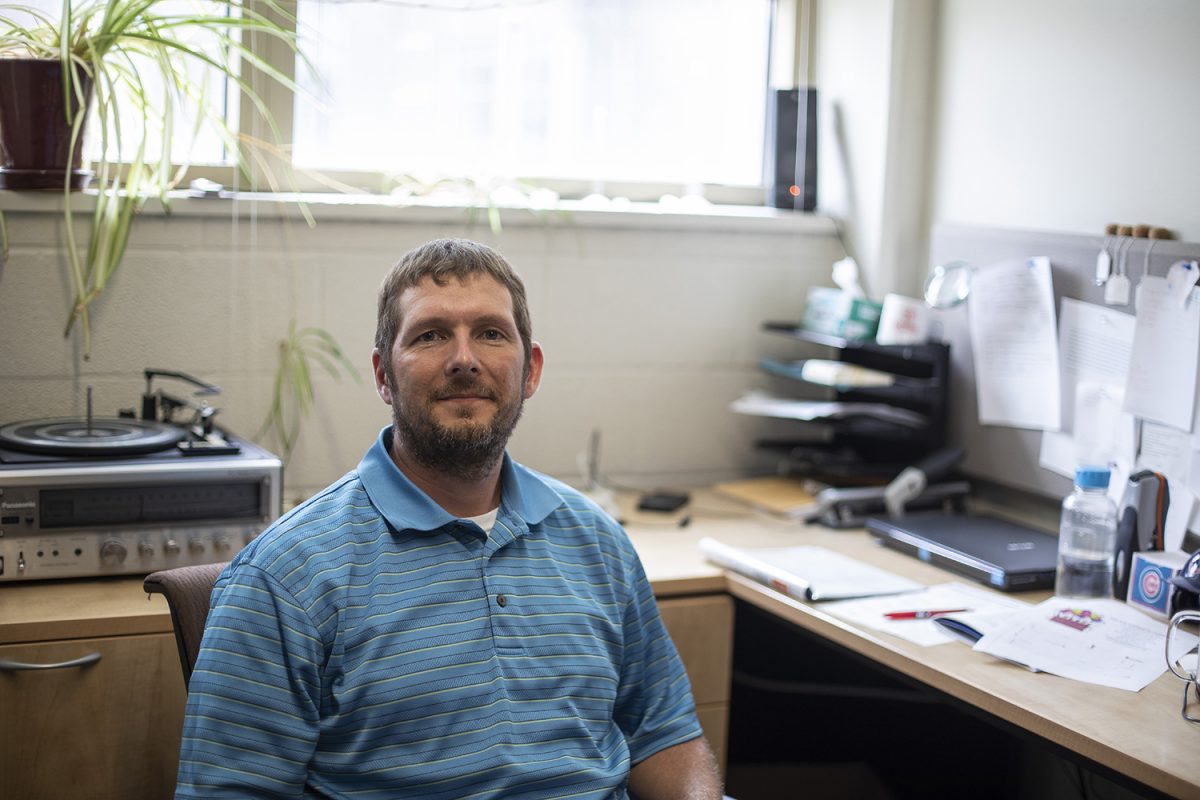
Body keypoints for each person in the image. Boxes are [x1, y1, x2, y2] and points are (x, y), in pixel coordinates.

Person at [176, 238, 723, 799]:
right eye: (431, 335)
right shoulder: (286, 575)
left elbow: (665, 738)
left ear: (529, 370)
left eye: (490, 333)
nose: (465, 359)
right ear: (384, 375)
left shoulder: (597, 541)